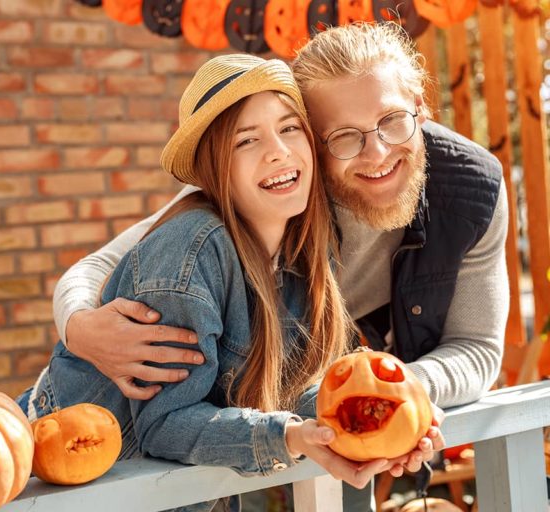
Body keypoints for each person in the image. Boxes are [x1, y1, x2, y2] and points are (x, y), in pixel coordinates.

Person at [52, 22, 508, 511]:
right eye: (344, 137)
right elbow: (109, 268)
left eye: (393, 120)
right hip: (102, 455)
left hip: (228, 431)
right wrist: (77, 327)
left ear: (422, 106)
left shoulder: (462, 192)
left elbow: (476, 348)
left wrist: (392, 407)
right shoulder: (246, 210)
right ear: (317, 139)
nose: (376, 153)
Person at [18, 53, 403, 512]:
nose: (277, 150)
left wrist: (379, 414)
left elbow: (299, 387)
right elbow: (166, 423)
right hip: (67, 487)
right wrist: (290, 436)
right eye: (247, 140)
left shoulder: (302, 247)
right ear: (214, 169)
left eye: (288, 128)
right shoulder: (192, 249)